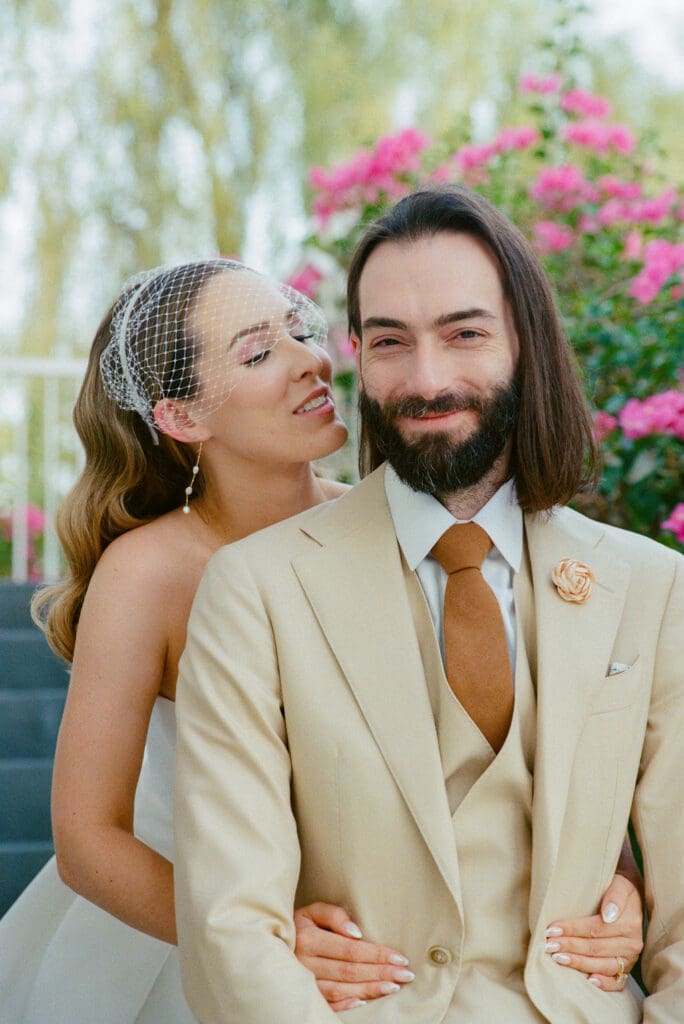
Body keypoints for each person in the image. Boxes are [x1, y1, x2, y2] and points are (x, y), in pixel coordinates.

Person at [174, 186, 683, 1023]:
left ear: (527, 342)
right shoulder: (254, 591)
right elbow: (229, 926)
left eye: (465, 333)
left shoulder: (654, 589)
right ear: (358, 359)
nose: (428, 378)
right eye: (390, 342)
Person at [0, 259, 424, 1022]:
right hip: (184, 920)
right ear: (182, 418)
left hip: (383, 926)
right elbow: (87, 839)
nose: (312, 360)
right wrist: (256, 940)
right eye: (260, 353)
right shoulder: (146, 576)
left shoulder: (385, 527)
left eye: (300, 329)